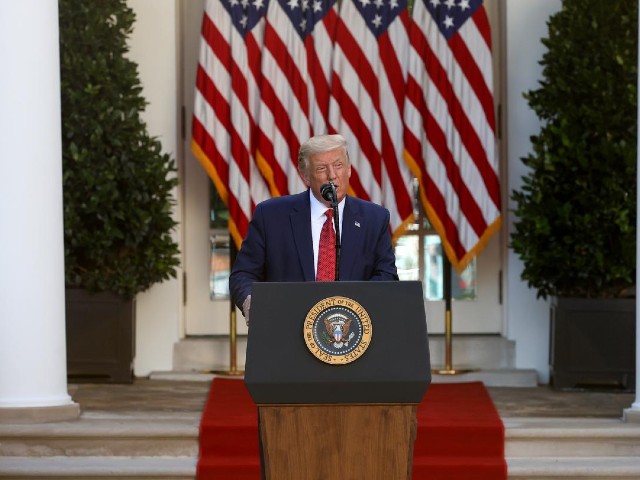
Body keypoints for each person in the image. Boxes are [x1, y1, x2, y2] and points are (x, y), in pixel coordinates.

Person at [229, 133, 398, 326]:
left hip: (350, 334)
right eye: (321, 168)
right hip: (286, 329)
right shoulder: (271, 216)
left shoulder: (374, 218)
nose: (332, 175)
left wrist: (355, 307)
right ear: (305, 176)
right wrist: (251, 301)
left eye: (338, 165)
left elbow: (387, 275)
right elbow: (243, 274)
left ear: (349, 169)